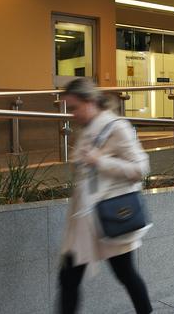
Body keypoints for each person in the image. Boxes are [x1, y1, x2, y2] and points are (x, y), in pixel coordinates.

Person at [59, 78, 152, 314]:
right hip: (84, 221)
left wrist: (100, 161)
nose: (72, 115)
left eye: (74, 108)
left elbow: (141, 168)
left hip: (110, 217)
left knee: (126, 274)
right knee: (68, 279)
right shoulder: (88, 129)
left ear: (90, 102)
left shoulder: (116, 127)